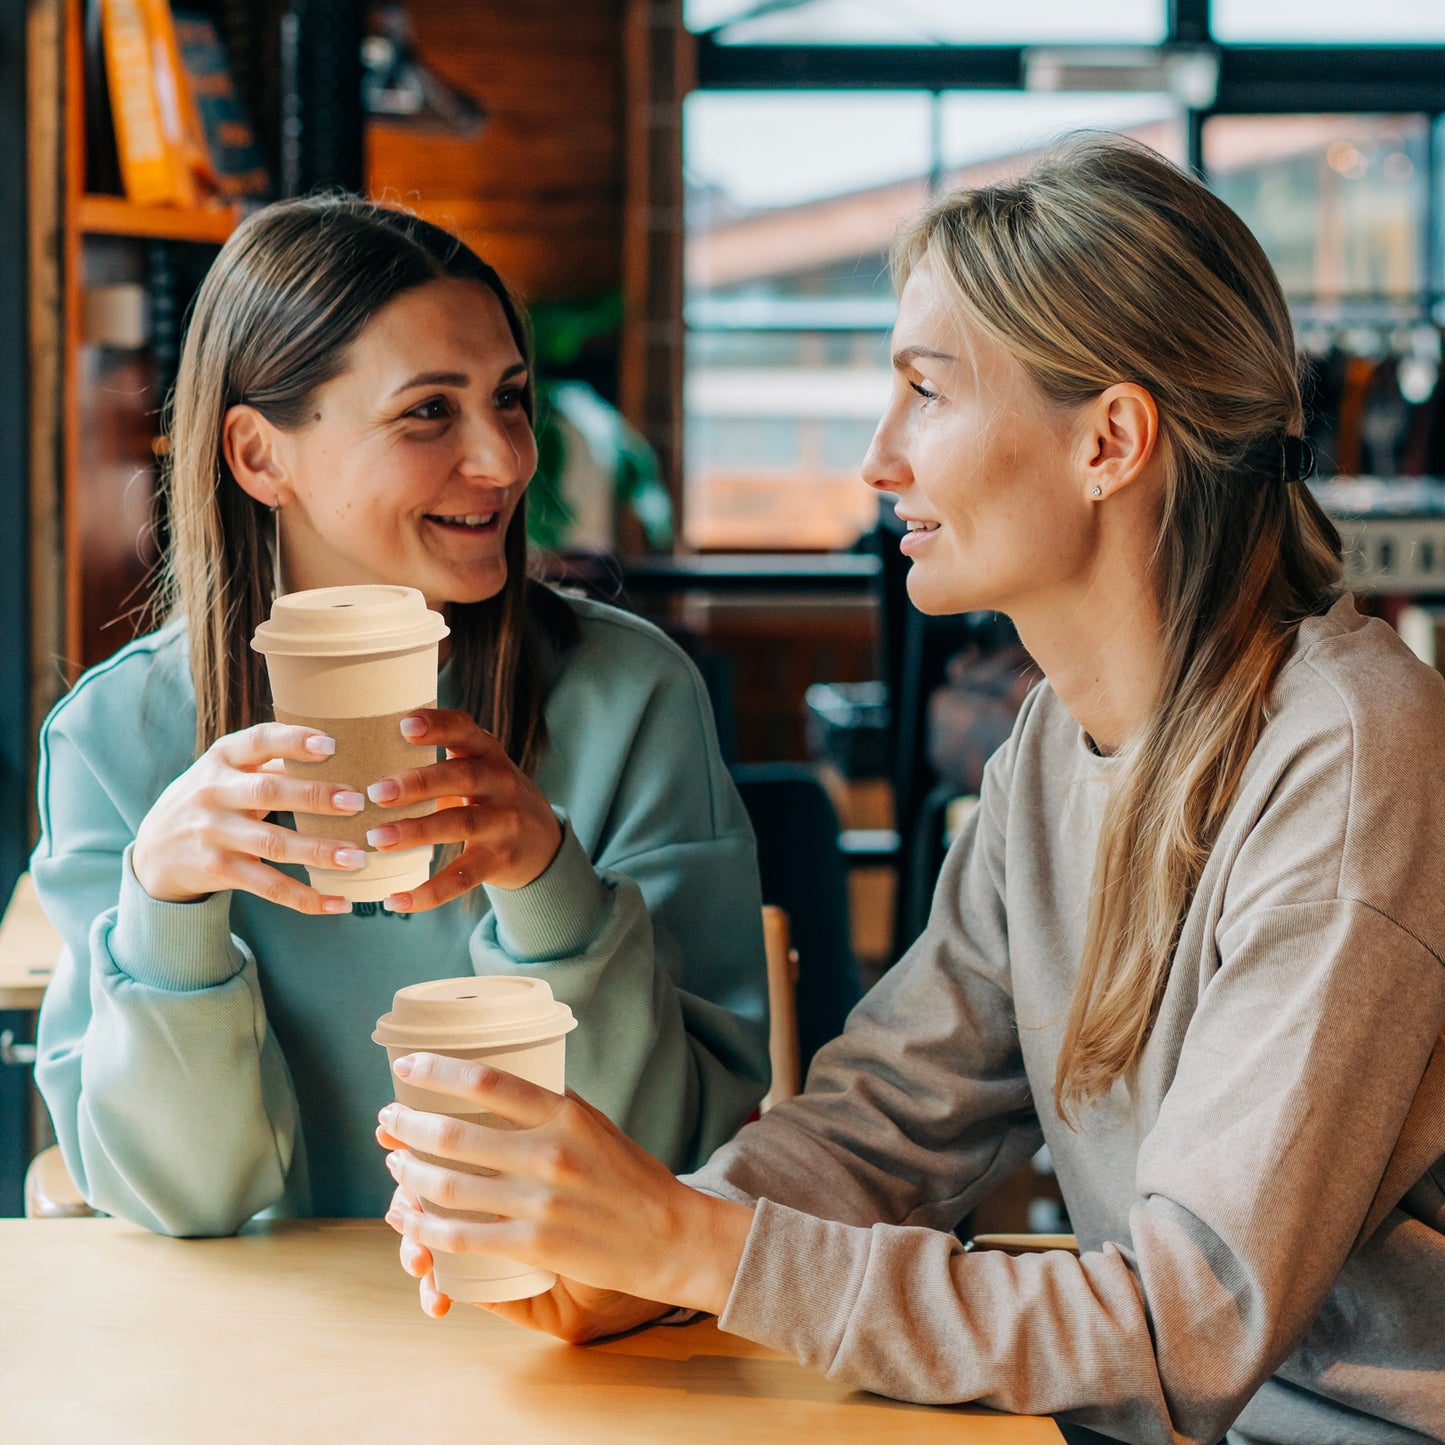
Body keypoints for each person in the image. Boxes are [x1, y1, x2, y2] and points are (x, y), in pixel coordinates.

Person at [375, 139, 1445, 1445]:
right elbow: (883, 1126)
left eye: (925, 392)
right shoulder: (1054, 745)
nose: (879, 460)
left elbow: (1185, 1334)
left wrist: (701, 1250)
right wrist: (633, 1254)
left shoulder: (1349, 759)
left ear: (1109, 439)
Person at [32, 195, 770, 1236]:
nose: (506, 459)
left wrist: (548, 884)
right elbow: (181, 1204)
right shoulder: (114, 738)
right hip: (252, 1357)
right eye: (430, 410)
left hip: (564, 1347)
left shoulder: (629, 695)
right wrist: (167, 914)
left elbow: (667, 1160)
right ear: (257, 455)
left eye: (509, 399)